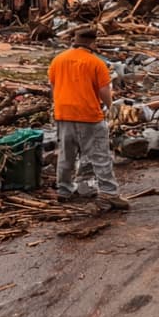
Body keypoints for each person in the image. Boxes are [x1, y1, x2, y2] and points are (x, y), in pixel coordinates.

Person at [48, 30, 130, 209]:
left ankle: (64, 190)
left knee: (66, 154)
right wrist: (110, 106)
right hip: (88, 115)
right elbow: (103, 91)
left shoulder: (58, 60)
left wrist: (61, 104)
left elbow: (53, 86)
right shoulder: (95, 63)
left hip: (63, 114)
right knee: (99, 155)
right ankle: (109, 192)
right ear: (92, 43)